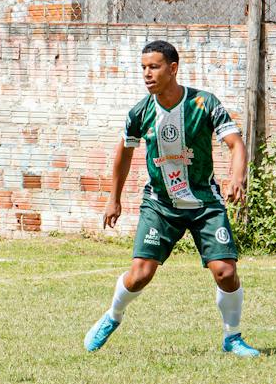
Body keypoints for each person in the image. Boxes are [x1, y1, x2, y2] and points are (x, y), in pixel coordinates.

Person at [84, 39, 257, 358]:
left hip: (204, 203)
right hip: (160, 205)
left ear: (172, 68)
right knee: (140, 276)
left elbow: (235, 143)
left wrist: (237, 177)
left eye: (154, 67)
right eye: (143, 68)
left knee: (226, 272)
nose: (147, 74)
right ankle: (112, 317)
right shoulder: (140, 112)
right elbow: (123, 152)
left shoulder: (204, 104)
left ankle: (232, 337)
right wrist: (114, 198)